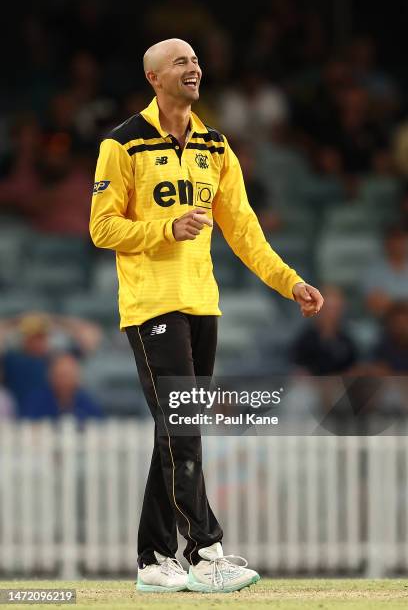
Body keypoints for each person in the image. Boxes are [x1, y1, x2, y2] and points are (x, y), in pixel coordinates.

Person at [90, 38, 324, 594]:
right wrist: (164, 229)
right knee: (183, 426)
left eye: (196, 60)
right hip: (152, 305)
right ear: (153, 77)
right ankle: (205, 551)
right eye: (180, 62)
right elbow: (102, 228)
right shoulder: (122, 145)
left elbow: (244, 230)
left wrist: (289, 280)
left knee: (176, 432)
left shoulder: (216, 147)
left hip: (203, 305)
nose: (193, 68)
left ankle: (152, 560)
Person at [20, 352, 104, 422]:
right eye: (60, 376)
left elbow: (98, 426)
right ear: (51, 377)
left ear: (77, 378)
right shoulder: (36, 400)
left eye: (68, 376)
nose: (64, 381)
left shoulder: (88, 402)